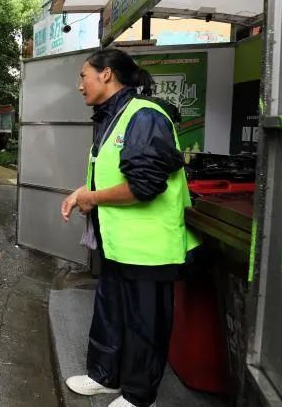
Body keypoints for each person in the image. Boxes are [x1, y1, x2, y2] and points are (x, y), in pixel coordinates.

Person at [60, 48, 200, 407]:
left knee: (144, 324)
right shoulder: (111, 117)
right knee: (111, 312)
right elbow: (108, 174)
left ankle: (139, 396)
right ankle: (104, 376)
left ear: (106, 74)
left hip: (149, 248)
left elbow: (144, 186)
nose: (80, 86)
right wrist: (82, 196)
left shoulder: (144, 116)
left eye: (83, 75)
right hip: (118, 243)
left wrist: (91, 198)